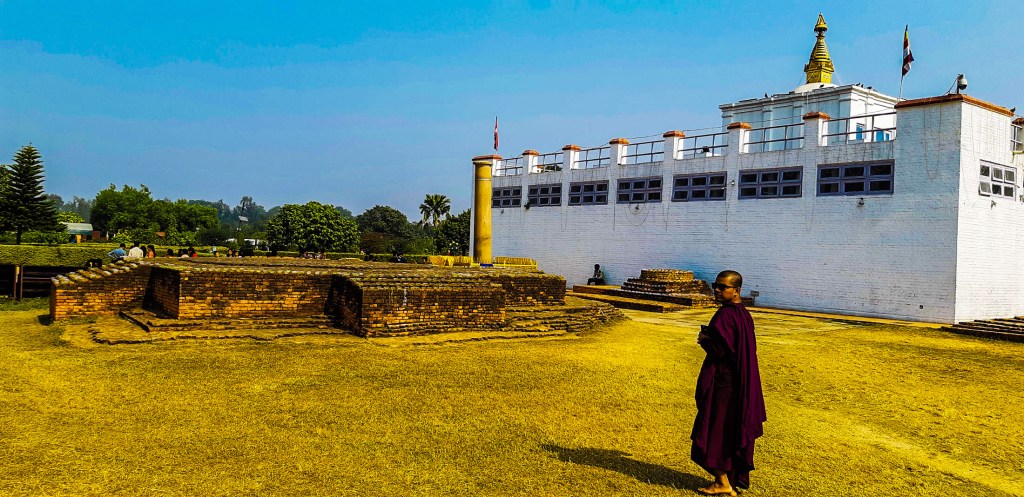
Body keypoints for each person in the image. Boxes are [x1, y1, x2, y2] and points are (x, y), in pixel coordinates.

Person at [691, 270, 766, 496]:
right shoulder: (743, 314)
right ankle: (729, 482)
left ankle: (722, 482)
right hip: (738, 382)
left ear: (737, 291)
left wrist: (705, 340)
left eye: (723, 287)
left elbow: (723, 351)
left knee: (715, 430)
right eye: (716, 285)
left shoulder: (725, 315)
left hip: (724, 383)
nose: (717, 290)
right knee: (730, 429)